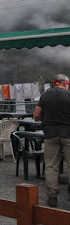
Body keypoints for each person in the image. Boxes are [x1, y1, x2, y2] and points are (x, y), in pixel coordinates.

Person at [33, 74, 70, 207]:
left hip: (50, 134)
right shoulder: (68, 95)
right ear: (65, 83)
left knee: (51, 166)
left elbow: (36, 115)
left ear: (55, 83)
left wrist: (46, 119)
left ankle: (52, 197)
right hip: (68, 133)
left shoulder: (45, 95)